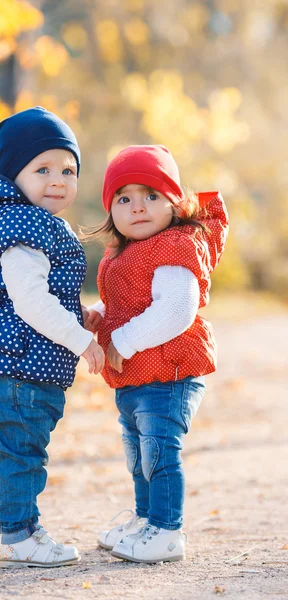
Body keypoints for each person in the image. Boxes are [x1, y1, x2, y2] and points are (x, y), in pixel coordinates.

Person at [0, 107, 104, 568]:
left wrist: (82, 314)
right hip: (17, 373)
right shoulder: (25, 225)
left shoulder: (20, 220)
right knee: (23, 455)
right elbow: (31, 302)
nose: (58, 179)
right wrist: (81, 340)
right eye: (42, 169)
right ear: (13, 174)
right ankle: (21, 534)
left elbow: (36, 293)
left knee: (7, 453)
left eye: (68, 169)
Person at [84, 145, 228, 564]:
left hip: (170, 374)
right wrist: (98, 315)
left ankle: (166, 530)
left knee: (160, 452)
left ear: (174, 201)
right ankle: (146, 519)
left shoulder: (174, 247)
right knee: (138, 455)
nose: (138, 207)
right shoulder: (122, 253)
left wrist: (121, 342)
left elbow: (174, 310)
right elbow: (127, 303)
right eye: (124, 198)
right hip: (135, 378)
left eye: (151, 195)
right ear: (111, 209)